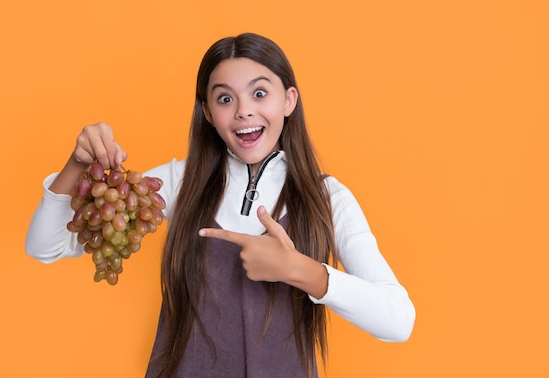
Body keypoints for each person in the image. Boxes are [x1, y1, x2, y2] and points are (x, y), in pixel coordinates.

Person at [25, 32, 415, 378]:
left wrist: (301, 270)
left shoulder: (327, 198)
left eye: (259, 93)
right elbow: (46, 247)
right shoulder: (179, 181)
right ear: (209, 114)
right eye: (225, 98)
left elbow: (398, 320)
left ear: (289, 100)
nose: (244, 109)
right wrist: (76, 165)